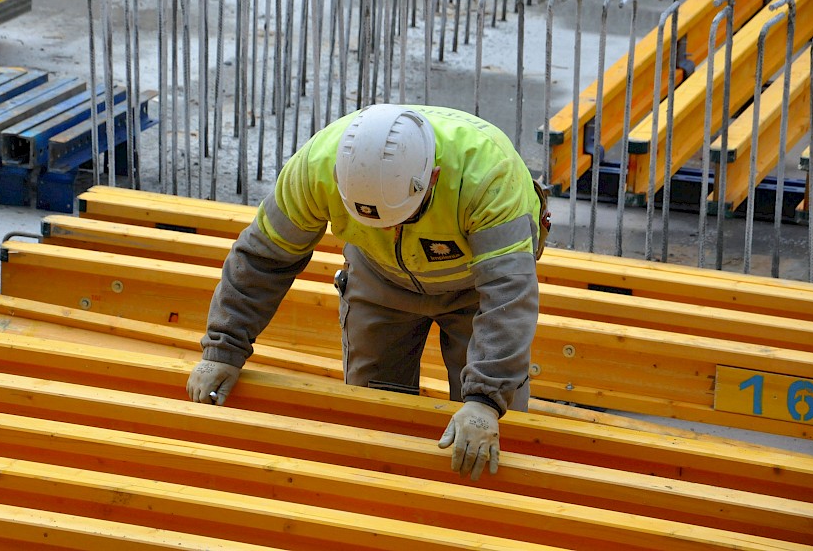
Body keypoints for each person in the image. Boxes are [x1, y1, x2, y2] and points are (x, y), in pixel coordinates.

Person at [187, 103, 549, 480]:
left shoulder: (488, 176)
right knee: (373, 421)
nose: (393, 230)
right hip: (379, 276)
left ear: (434, 177)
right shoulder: (316, 168)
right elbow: (263, 258)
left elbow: (508, 294)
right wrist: (223, 349)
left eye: (403, 218)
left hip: (477, 289)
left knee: (484, 436)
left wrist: (485, 400)